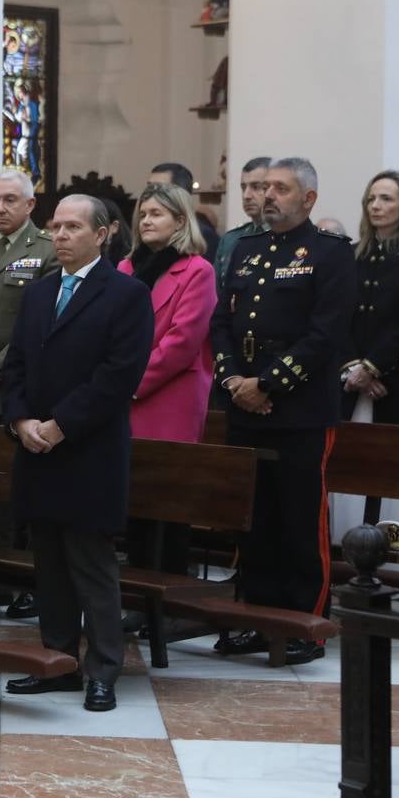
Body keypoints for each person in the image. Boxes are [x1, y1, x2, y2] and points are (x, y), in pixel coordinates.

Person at [2, 194, 153, 712]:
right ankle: (58, 661)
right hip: (37, 447)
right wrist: (21, 420)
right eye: (56, 227)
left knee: (91, 565)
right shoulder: (39, 292)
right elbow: (17, 364)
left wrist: (61, 424)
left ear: (102, 234)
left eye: (72, 227)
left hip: (90, 450)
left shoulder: (127, 294)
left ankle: (103, 670)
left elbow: (118, 375)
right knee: (48, 564)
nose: (60, 236)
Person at [210, 157, 357, 664]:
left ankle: (304, 626)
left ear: (308, 199)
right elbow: (221, 323)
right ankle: (258, 619)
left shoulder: (331, 253)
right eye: (264, 186)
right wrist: (234, 380)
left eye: (280, 188)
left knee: (298, 521)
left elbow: (326, 333)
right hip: (244, 406)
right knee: (254, 520)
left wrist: (268, 383)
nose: (268, 195)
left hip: (300, 410)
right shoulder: (247, 249)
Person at [0, 169, 58, 619]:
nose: (0, 208)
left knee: (18, 491)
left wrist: (0, 363)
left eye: (9, 200)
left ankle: (21, 579)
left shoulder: (46, 250)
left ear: (30, 205)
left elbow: (41, 319)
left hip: (16, 387)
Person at [117, 184, 217, 576]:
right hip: (126, 396)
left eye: (156, 214)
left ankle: (170, 587)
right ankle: (138, 585)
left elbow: (182, 341)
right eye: (142, 214)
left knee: (168, 501)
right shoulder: (126, 268)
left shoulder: (197, 271)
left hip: (170, 396)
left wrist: (128, 381)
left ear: (179, 220)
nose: (146, 221)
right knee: (135, 500)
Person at [330, 170, 399, 535]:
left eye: (386, 198)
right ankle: (344, 545)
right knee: (351, 473)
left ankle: (397, 557)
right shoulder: (352, 253)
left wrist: (374, 367)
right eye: (371, 198)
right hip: (353, 385)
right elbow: (337, 317)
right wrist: (354, 368)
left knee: (395, 476)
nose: (376, 205)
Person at [214, 157, 271, 293]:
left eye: (256, 187)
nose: (246, 195)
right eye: (243, 187)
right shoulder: (231, 240)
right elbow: (217, 293)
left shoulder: (287, 236)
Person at [148, 162, 219, 263]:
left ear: (181, 193)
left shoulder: (202, 235)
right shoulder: (148, 230)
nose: (149, 194)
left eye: (158, 188)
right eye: (149, 187)